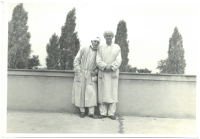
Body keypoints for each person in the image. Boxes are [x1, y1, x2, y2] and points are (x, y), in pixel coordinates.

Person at [72, 37, 101, 119]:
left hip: (91, 73)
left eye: (98, 42)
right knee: (81, 91)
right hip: (81, 72)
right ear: (91, 41)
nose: (96, 43)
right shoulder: (84, 49)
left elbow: (100, 64)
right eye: (95, 41)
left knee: (91, 92)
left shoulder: (99, 52)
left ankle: (91, 112)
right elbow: (76, 60)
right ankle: (82, 111)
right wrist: (78, 71)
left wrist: (95, 71)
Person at [96, 31, 122, 120]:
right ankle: (103, 113)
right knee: (102, 93)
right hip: (103, 72)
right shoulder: (100, 48)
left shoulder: (117, 47)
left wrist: (111, 67)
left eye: (110, 36)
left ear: (112, 37)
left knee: (113, 93)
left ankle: (111, 113)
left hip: (112, 73)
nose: (108, 37)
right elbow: (98, 60)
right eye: (107, 36)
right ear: (104, 37)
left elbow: (119, 60)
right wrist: (104, 66)